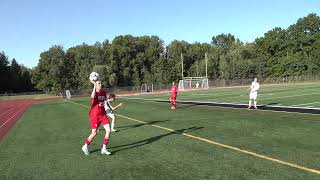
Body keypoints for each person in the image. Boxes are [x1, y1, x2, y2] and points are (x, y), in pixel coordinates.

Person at [82, 79, 111, 155]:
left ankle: (104, 149)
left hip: (103, 115)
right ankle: (85, 146)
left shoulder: (104, 93)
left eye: (101, 83)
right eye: (99, 83)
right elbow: (92, 96)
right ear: (96, 85)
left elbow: (104, 103)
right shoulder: (95, 94)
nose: (100, 84)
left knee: (108, 130)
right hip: (95, 115)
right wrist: (94, 85)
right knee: (94, 133)